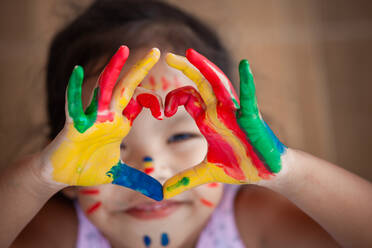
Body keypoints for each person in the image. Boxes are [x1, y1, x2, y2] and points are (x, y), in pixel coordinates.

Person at [1, 0, 372, 247]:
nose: (152, 169)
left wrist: (287, 171)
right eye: (114, 145)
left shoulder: (252, 217)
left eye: (180, 135)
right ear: (65, 164)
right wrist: (39, 178)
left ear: (235, 141)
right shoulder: (62, 233)